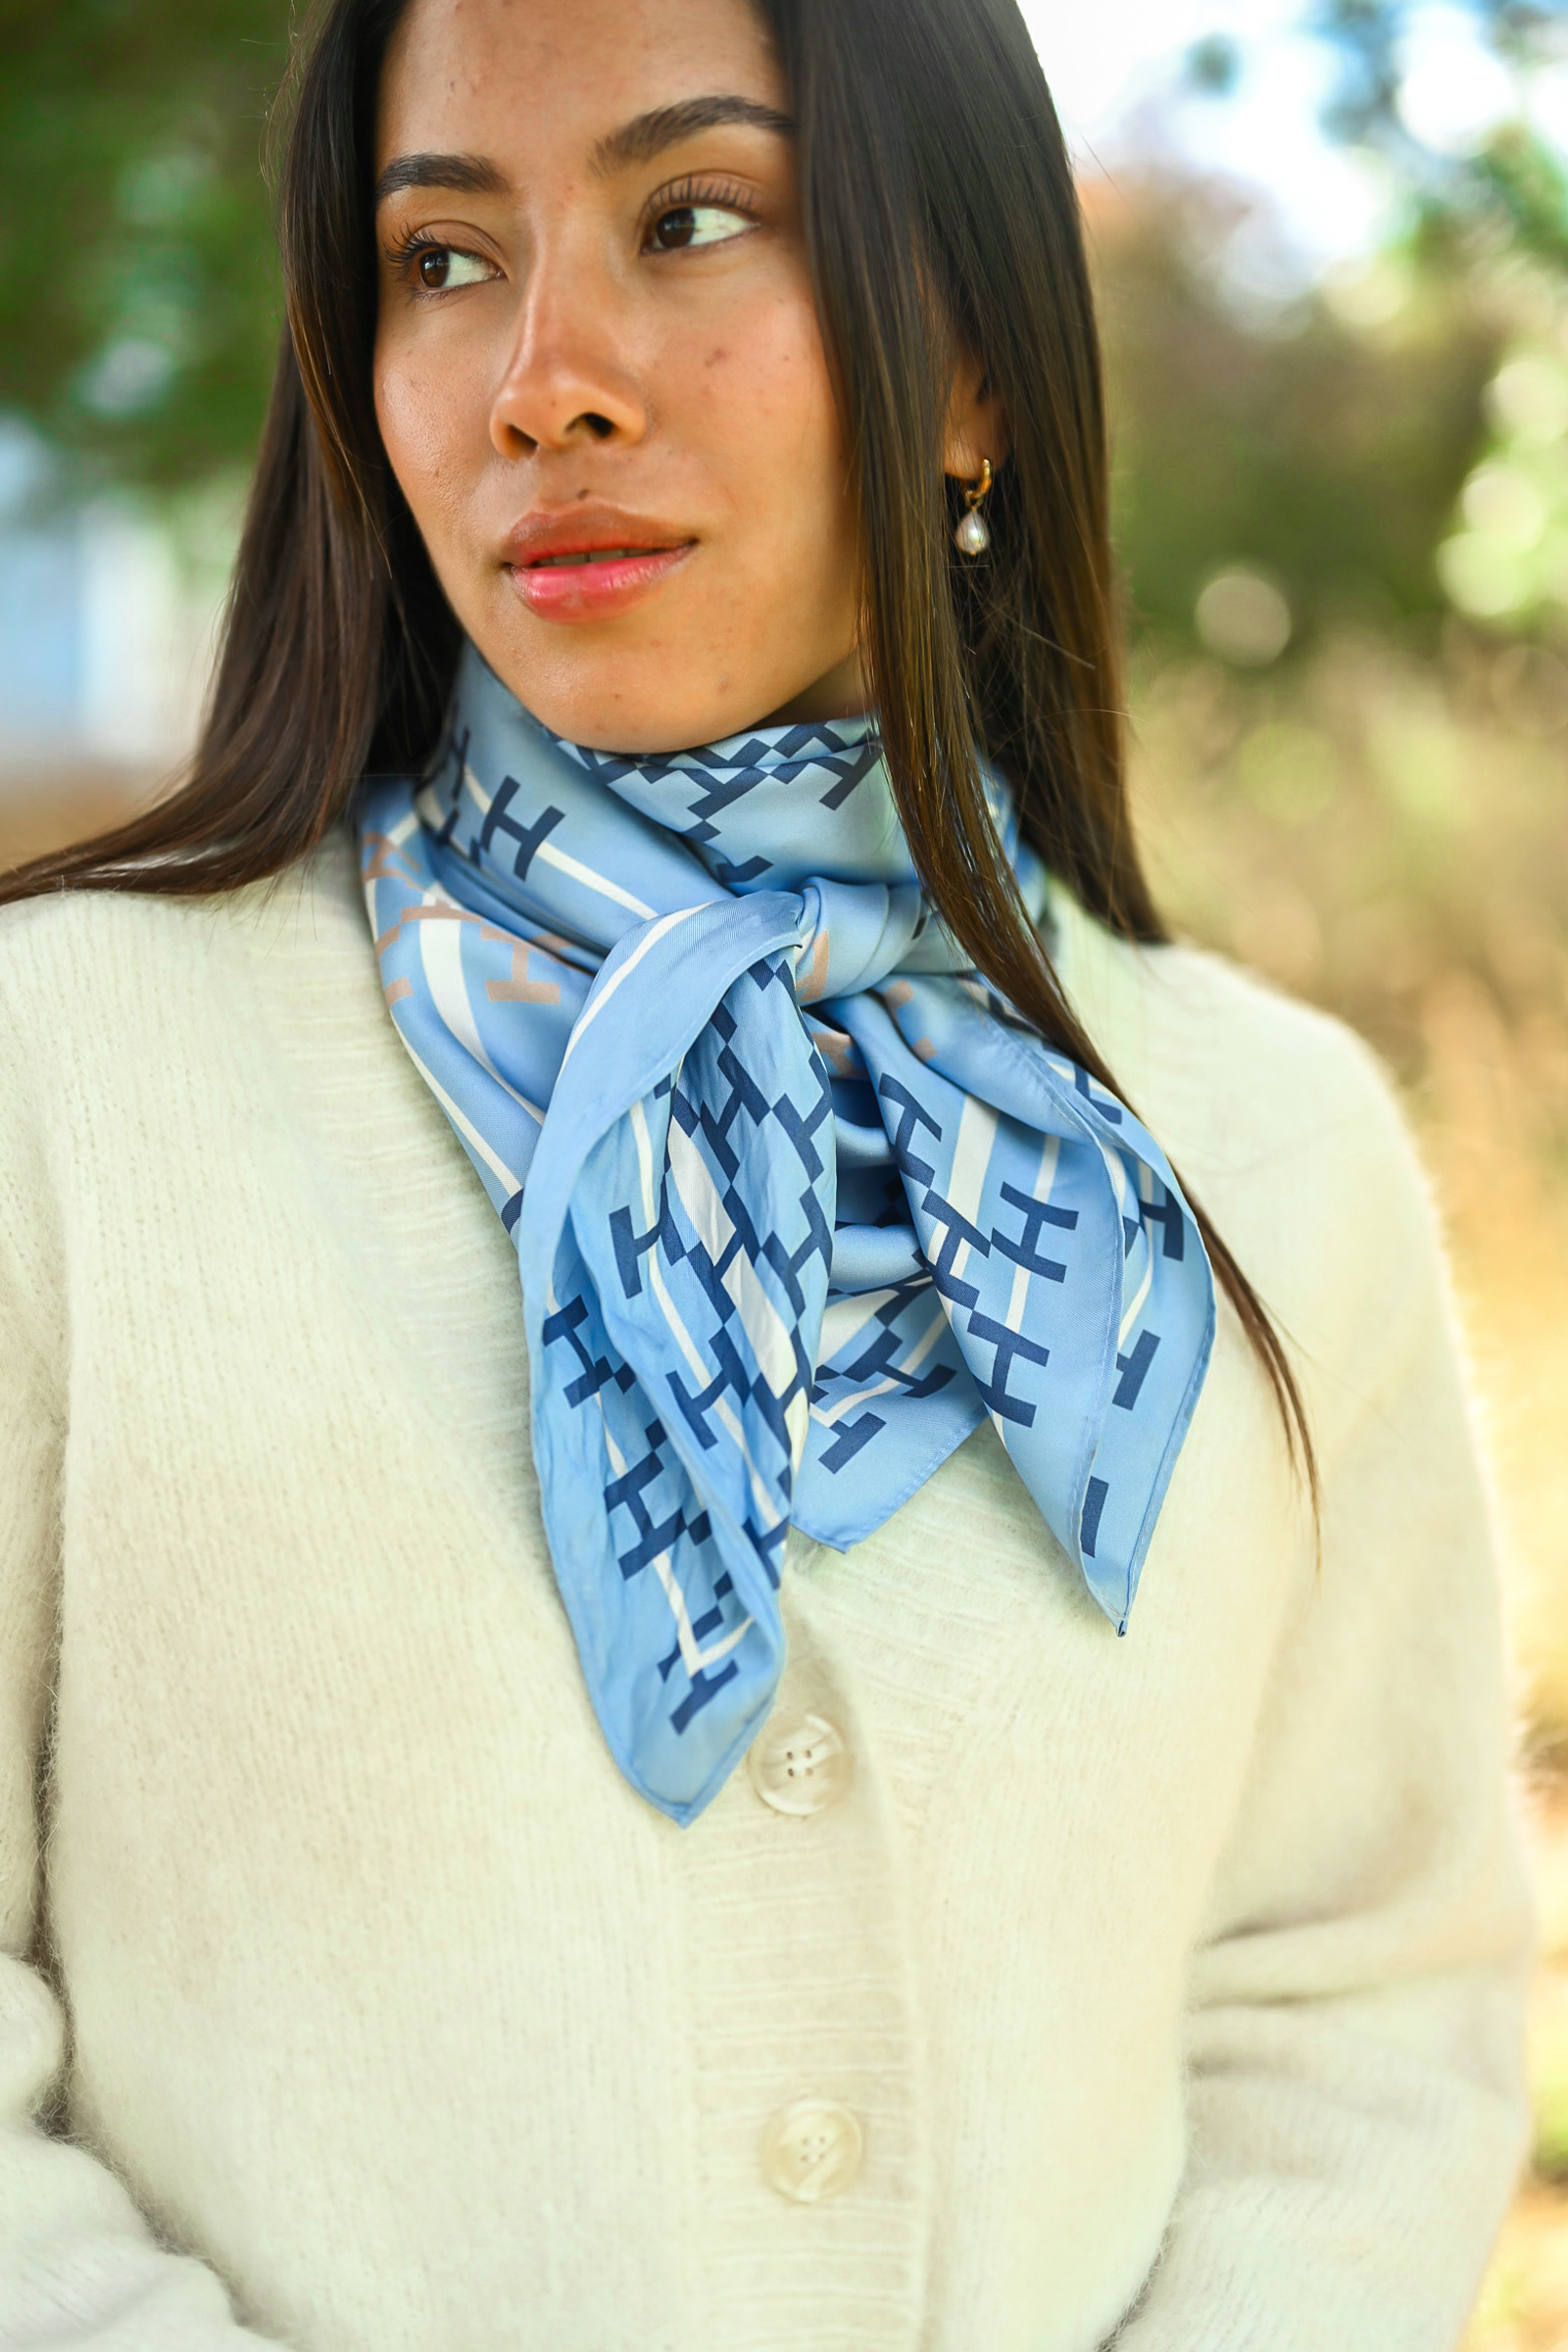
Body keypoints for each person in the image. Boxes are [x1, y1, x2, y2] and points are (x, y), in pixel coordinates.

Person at [0, 0, 1533, 2342]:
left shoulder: (1274, 1152)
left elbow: (1353, 2011)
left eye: (694, 216)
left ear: (970, 369)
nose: (541, 381)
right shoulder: (61, 1082)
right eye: (438, 260)